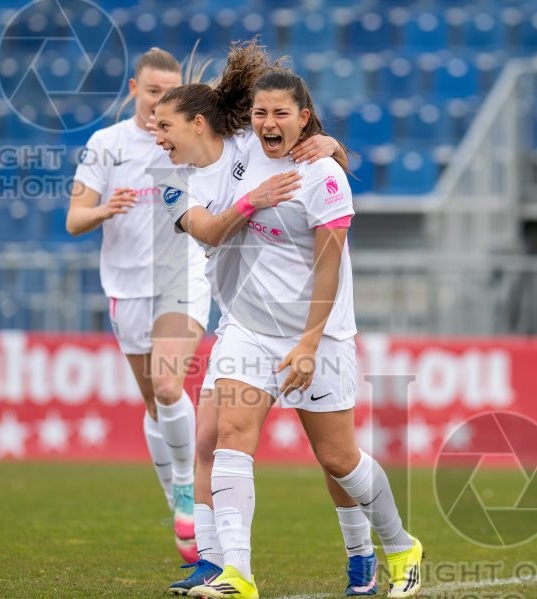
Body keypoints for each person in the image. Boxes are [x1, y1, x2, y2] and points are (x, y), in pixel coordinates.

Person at [181, 68, 423, 599]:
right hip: (248, 329)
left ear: (303, 118)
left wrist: (310, 341)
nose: (269, 122)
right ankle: (237, 575)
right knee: (232, 436)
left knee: (339, 459)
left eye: (281, 113)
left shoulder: (323, 175)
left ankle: (401, 545)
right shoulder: (241, 151)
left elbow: (329, 266)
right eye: (261, 112)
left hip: (320, 333)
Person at [67, 48, 210, 562]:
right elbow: (74, 219)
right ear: (133, 89)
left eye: (169, 95)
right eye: (152, 93)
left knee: (170, 384)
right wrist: (107, 207)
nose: (159, 104)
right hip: (126, 287)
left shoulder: (191, 136)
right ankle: (176, 497)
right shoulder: (106, 146)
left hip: (183, 277)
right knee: (154, 401)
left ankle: (189, 491)